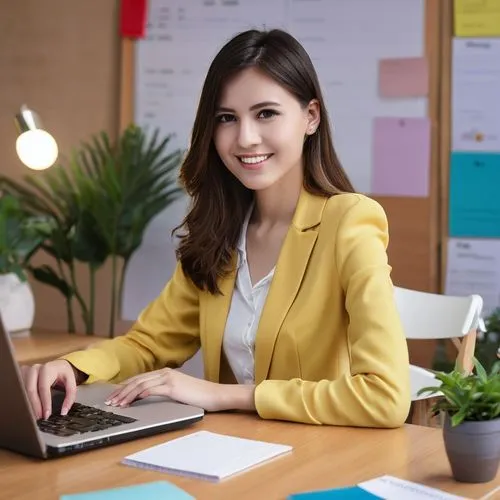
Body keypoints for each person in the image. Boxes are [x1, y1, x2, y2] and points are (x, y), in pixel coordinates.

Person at [20, 29, 410, 428]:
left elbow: (385, 396)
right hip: (228, 453)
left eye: (266, 113)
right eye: (227, 118)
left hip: (318, 455)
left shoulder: (350, 222)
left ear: (310, 117)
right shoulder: (219, 233)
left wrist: (224, 395)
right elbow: (148, 344)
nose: (245, 138)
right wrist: (73, 367)